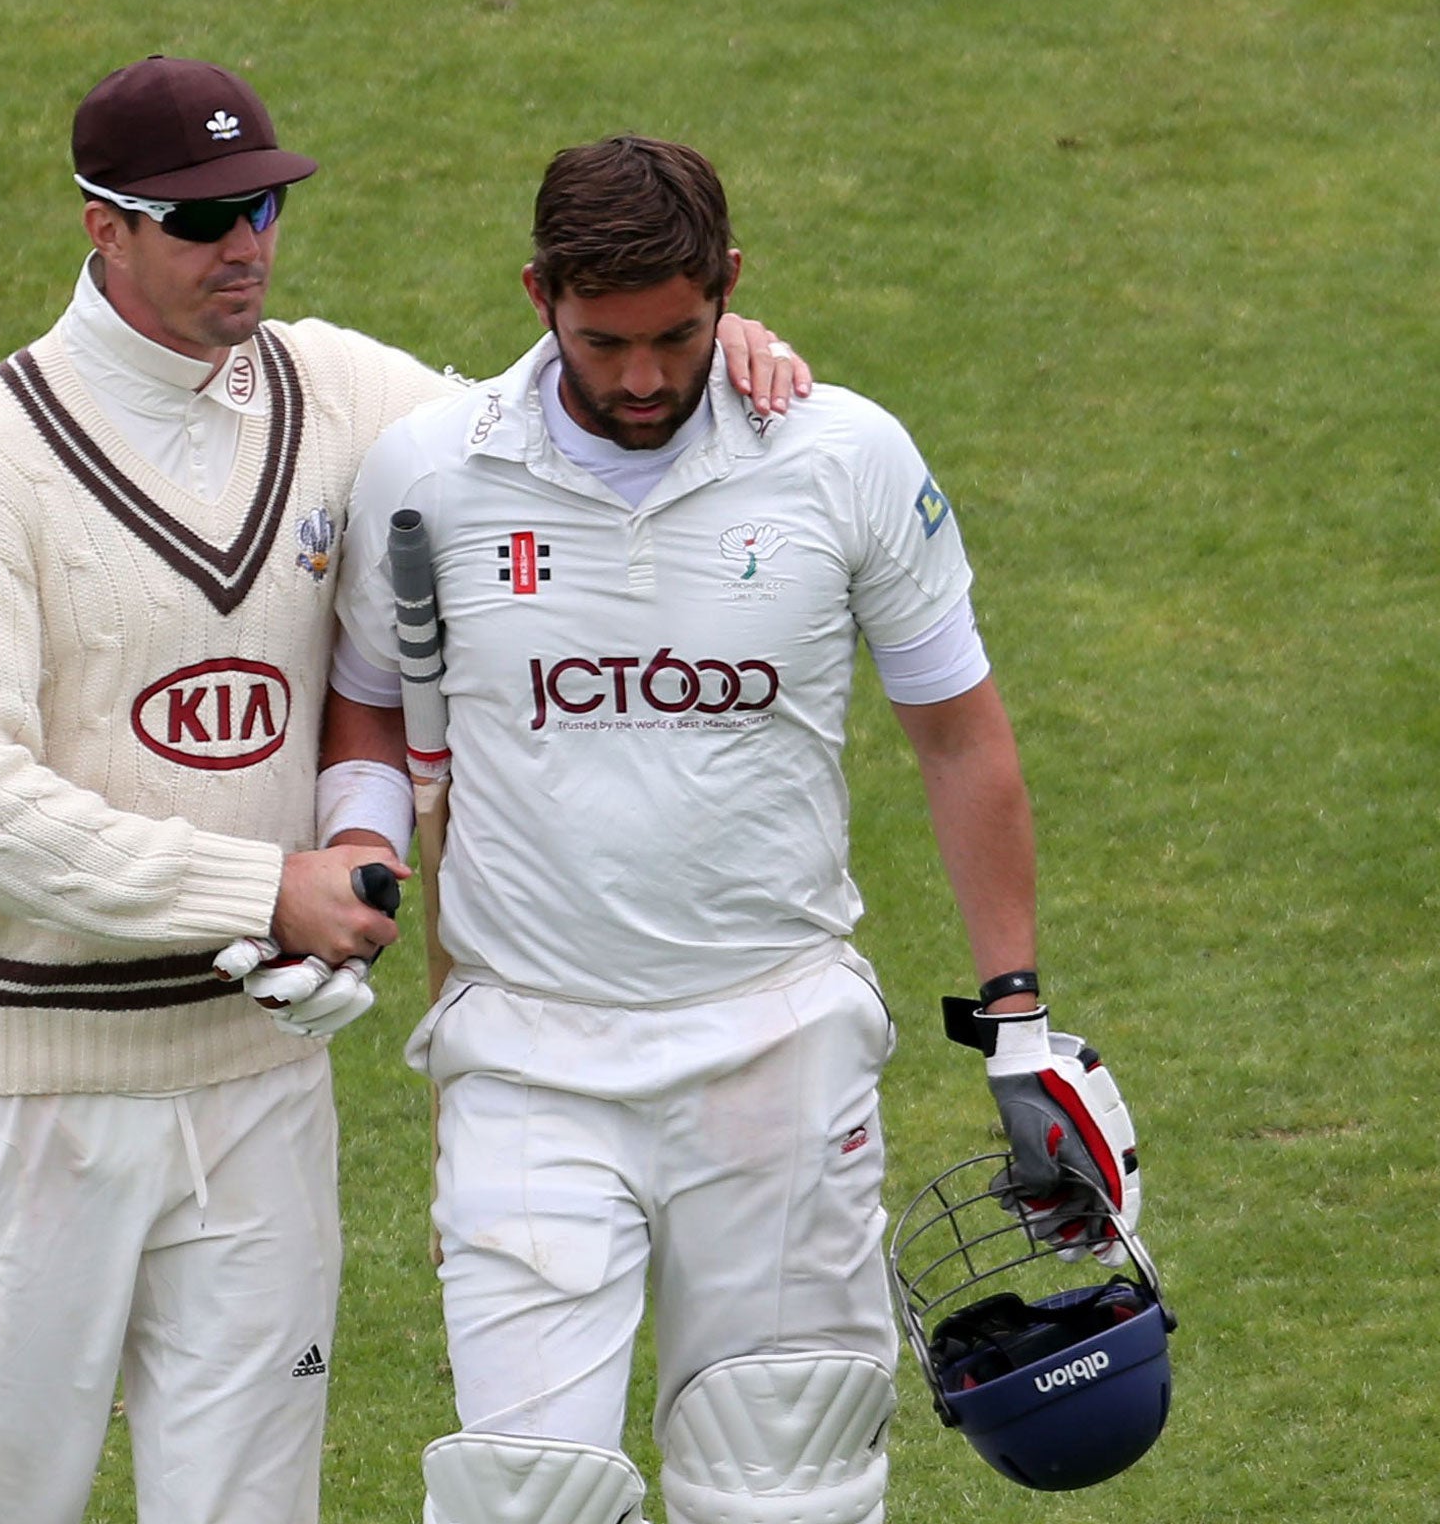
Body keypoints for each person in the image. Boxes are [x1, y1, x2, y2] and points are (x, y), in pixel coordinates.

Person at [0, 60, 808, 1524]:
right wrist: (260, 889)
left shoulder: (342, 392)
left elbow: (533, 438)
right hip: (29, 1085)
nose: (245, 242)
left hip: (256, 1084)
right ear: (102, 227)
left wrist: (703, 347)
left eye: (264, 207)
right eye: (203, 220)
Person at [331, 135, 1140, 1524]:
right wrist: (364, 866)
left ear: (732, 292)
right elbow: (362, 712)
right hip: (526, 1056)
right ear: (536, 296)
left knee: (792, 1492)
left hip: (779, 1050)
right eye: (602, 343)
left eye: (678, 336)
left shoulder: (844, 455)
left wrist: (1017, 1019)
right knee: (525, 1502)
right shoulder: (428, 473)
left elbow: (960, 737)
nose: (641, 379)